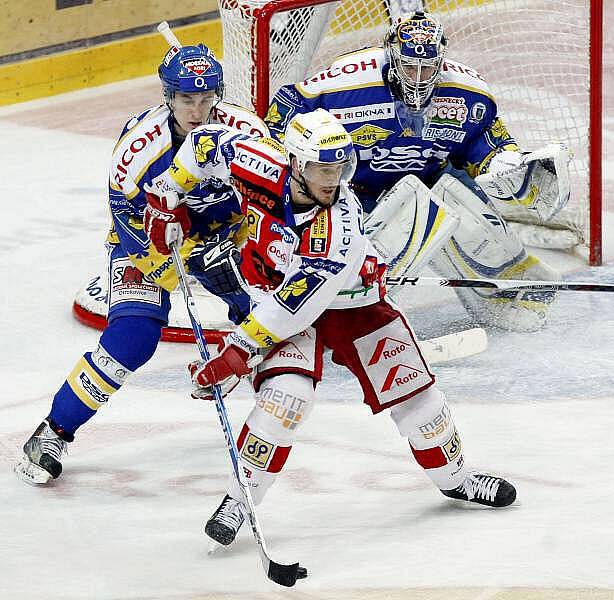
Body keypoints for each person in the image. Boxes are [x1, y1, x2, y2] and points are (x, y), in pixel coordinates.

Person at [161, 108, 516, 547]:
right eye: (320, 168)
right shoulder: (255, 163)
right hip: (274, 294)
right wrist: (168, 196)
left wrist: (235, 355)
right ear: (294, 162)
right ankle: (240, 500)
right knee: (284, 402)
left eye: (339, 167)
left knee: (421, 404)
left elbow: (294, 309)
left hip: (351, 306)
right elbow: (203, 145)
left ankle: (456, 479)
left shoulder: (337, 231)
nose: (333, 179)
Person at [14, 35, 267, 485]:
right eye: (187, 98)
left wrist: (237, 249)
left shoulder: (245, 134)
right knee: (132, 337)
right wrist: (176, 261)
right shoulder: (138, 147)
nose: (197, 109)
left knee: (274, 324)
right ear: (169, 96)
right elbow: (125, 215)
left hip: (228, 239)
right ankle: (53, 431)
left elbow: (269, 202)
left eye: (206, 98)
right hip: (151, 245)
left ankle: (268, 434)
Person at [263, 11, 573, 332]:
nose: (419, 79)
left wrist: (505, 163)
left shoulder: (467, 93)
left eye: (428, 69)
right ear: (392, 59)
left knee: (459, 209)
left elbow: (483, 141)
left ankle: (504, 294)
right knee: (362, 253)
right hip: (351, 194)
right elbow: (284, 112)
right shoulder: (346, 83)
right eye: (410, 67)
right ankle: (343, 312)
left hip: (429, 182)